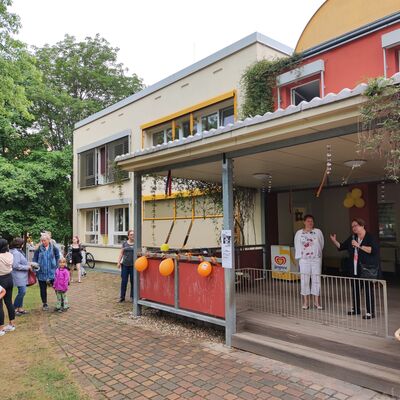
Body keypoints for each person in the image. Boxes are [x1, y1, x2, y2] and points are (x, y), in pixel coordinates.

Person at [330, 217, 380, 319]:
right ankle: (356, 309)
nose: (354, 228)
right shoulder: (353, 237)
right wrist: (335, 241)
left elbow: (373, 250)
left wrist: (359, 246)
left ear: (362, 225)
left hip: (366, 268)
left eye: (356, 225)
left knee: (367, 290)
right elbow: (341, 246)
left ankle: (370, 312)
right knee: (355, 289)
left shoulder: (370, 237)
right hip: (355, 268)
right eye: (352, 226)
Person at [294, 214, 324, 310]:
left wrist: (316, 253)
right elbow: (296, 244)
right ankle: (306, 302)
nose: (310, 223)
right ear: (304, 222)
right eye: (308, 221)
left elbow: (321, 244)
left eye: (311, 221)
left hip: (315, 259)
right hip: (304, 260)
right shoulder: (299, 233)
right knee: (304, 280)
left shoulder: (318, 232)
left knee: (316, 279)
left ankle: (317, 301)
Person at [33, 232, 60, 311]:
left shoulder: (54, 248)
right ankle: (44, 303)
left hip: (52, 271)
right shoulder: (39, 249)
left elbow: (58, 256)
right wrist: (35, 267)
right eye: (42, 241)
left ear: (49, 240)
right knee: (43, 289)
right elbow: (35, 259)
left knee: (56, 287)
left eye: (45, 240)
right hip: (41, 272)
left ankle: (60, 302)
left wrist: (57, 266)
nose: (43, 242)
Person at [10, 237, 31, 316]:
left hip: (21, 276)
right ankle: (15, 308)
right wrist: (27, 267)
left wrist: (28, 264)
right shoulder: (16, 253)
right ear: (20, 244)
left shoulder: (18, 251)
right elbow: (15, 265)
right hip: (18, 276)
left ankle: (20, 308)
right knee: (22, 292)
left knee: (21, 292)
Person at [0, 239, 16, 335]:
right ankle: (11, 324)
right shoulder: (10, 255)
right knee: (9, 302)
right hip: (9, 278)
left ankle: (1, 328)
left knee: (0, 305)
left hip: (1, 279)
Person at [117, 230, 134, 303]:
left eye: (133, 234)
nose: (132, 236)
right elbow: (121, 253)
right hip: (125, 265)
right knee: (124, 281)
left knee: (133, 281)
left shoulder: (137, 243)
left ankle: (132, 297)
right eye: (131, 234)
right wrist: (118, 262)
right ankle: (122, 297)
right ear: (128, 236)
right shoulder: (124, 244)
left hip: (133, 266)